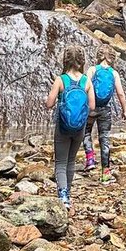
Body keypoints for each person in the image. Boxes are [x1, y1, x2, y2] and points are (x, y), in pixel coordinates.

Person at [44, 44, 94, 210]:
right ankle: (68, 194)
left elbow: (49, 104)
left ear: (65, 60)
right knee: (71, 161)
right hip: (79, 127)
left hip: (62, 126)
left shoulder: (60, 80)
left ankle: (63, 196)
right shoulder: (86, 81)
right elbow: (92, 106)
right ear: (81, 61)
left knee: (60, 162)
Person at [83, 44, 126, 183]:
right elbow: (120, 93)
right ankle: (105, 173)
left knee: (86, 133)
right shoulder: (114, 73)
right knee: (105, 139)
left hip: (90, 108)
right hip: (105, 109)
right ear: (112, 58)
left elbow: (84, 88)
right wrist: (124, 110)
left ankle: (90, 158)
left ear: (99, 56)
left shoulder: (92, 70)